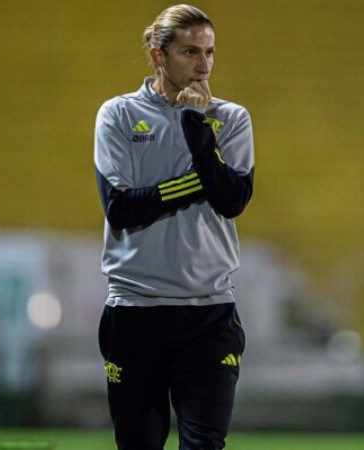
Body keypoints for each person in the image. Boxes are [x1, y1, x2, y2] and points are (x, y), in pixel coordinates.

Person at [93, 4, 254, 449]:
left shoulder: (231, 118)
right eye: (189, 52)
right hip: (134, 312)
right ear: (157, 55)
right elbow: (122, 208)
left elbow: (232, 199)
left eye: (210, 52)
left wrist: (194, 123)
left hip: (209, 314)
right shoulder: (119, 116)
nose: (204, 65)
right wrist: (203, 175)